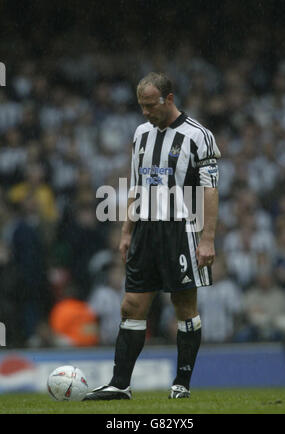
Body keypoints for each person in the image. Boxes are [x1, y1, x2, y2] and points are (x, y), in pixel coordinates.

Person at [84, 72, 221, 400]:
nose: (145, 112)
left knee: (183, 305)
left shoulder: (198, 136)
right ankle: (120, 384)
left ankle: (182, 383)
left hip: (182, 228)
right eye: (141, 106)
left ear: (169, 99)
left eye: (150, 105)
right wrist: (126, 230)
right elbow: (135, 184)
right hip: (145, 228)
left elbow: (210, 190)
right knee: (131, 304)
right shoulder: (141, 133)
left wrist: (208, 238)